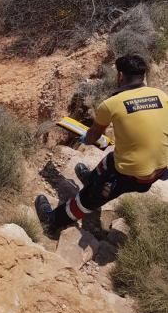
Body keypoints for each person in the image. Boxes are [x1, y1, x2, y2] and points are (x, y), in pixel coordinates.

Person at [36, 54, 168, 234]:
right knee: (111, 159)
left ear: (120, 76)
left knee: (90, 199)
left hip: (130, 174)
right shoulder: (161, 95)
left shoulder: (111, 104)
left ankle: (53, 221)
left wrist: (86, 137)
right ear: (142, 75)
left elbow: (93, 137)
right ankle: (91, 178)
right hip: (161, 169)